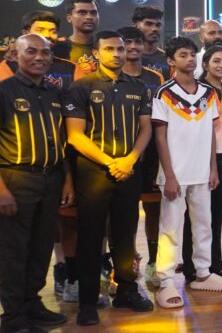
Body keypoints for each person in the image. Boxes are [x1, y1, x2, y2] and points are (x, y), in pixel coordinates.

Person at [65, 30, 154, 325]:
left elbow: (146, 130)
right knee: (91, 238)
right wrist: (110, 162)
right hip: (93, 173)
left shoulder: (139, 88)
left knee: (126, 236)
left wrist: (129, 160)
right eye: (110, 49)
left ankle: (126, 290)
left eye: (120, 48)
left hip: (129, 171)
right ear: (97, 52)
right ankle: (88, 302)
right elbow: (75, 136)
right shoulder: (81, 87)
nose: (116, 54)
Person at [151, 37, 222, 309]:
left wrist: (212, 167)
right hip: (176, 173)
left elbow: (210, 131)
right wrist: (169, 175)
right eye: (183, 55)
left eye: (192, 54)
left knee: (204, 224)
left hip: (201, 171)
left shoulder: (207, 93)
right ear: (171, 61)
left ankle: (202, 272)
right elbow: (160, 136)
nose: (190, 59)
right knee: (170, 229)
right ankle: (164, 280)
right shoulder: (163, 92)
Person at [0, 34, 73, 332]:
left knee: (41, 248)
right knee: (13, 252)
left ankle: (33, 304)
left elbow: (64, 142)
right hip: (16, 180)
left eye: (45, 52)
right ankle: (14, 316)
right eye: (31, 51)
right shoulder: (4, 91)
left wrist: (67, 180)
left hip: (51, 180)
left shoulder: (55, 93)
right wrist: (1, 190)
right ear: (15, 56)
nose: (39, 57)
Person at [115, 26, 165, 286]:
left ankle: (154, 263)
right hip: (121, 154)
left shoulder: (155, 77)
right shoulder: (108, 77)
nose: (133, 47)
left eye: (137, 42)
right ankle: (124, 263)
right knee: (123, 214)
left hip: (151, 157)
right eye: (127, 43)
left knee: (154, 211)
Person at [184, 47, 222, 281]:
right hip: (206, 159)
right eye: (216, 61)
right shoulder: (201, 91)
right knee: (197, 214)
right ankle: (194, 262)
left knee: (216, 213)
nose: (221, 65)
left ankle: (211, 259)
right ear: (204, 64)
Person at [53, 0, 99, 80]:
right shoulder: (57, 47)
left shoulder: (106, 47)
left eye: (93, 13)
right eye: (82, 12)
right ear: (69, 18)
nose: (89, 17)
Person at [133, 6, 169, 80]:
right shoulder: (126, 57)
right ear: (137, 26)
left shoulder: (168, 59)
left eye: (158, 25)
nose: (154, 29)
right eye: (149, 24)